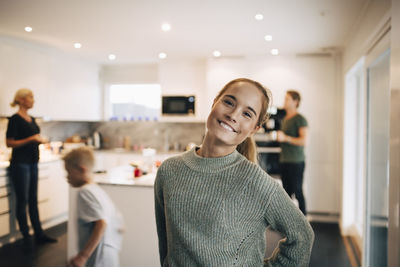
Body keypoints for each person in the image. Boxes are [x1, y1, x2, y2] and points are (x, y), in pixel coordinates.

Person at [154, 78, 314, 266]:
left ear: (254, 129)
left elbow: (302, 237)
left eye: (247, 113)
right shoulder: (169, 171)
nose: (233, 115)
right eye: (229, 102)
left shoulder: (256, 182)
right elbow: (166, 246)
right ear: (215, 102)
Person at [6, 88, 57, 243]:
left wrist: (39, 140)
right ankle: (25, 235)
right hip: (20, 164)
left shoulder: (32, 119)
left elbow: (35, 137)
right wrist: (31, 139)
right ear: (21, 100)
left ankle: (39, 233)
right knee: (23, 200)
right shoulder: (14, 119)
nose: (33, 100)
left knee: (33, 199)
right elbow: (9, 143)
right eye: (30, 97)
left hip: (33, 162)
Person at [63, 147, 123, 267]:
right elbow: (119, 223)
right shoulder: (97, 190)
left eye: (69, 172)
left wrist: (83, 256)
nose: (67, 177)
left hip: (99, 257)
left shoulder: (85, 192)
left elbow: (101, 223)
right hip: (109, 253)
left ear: (81, 169)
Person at [277, 90, 308, 215]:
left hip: (296, 162)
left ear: (295, 102)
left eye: (287, 99)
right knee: (286, 193)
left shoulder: (300, 119)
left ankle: (304, 221)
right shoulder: (284, 119)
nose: (284, 101)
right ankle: (288, 221)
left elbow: (304, 141)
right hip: (284, 160)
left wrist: (285, 138)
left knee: (298, 191)